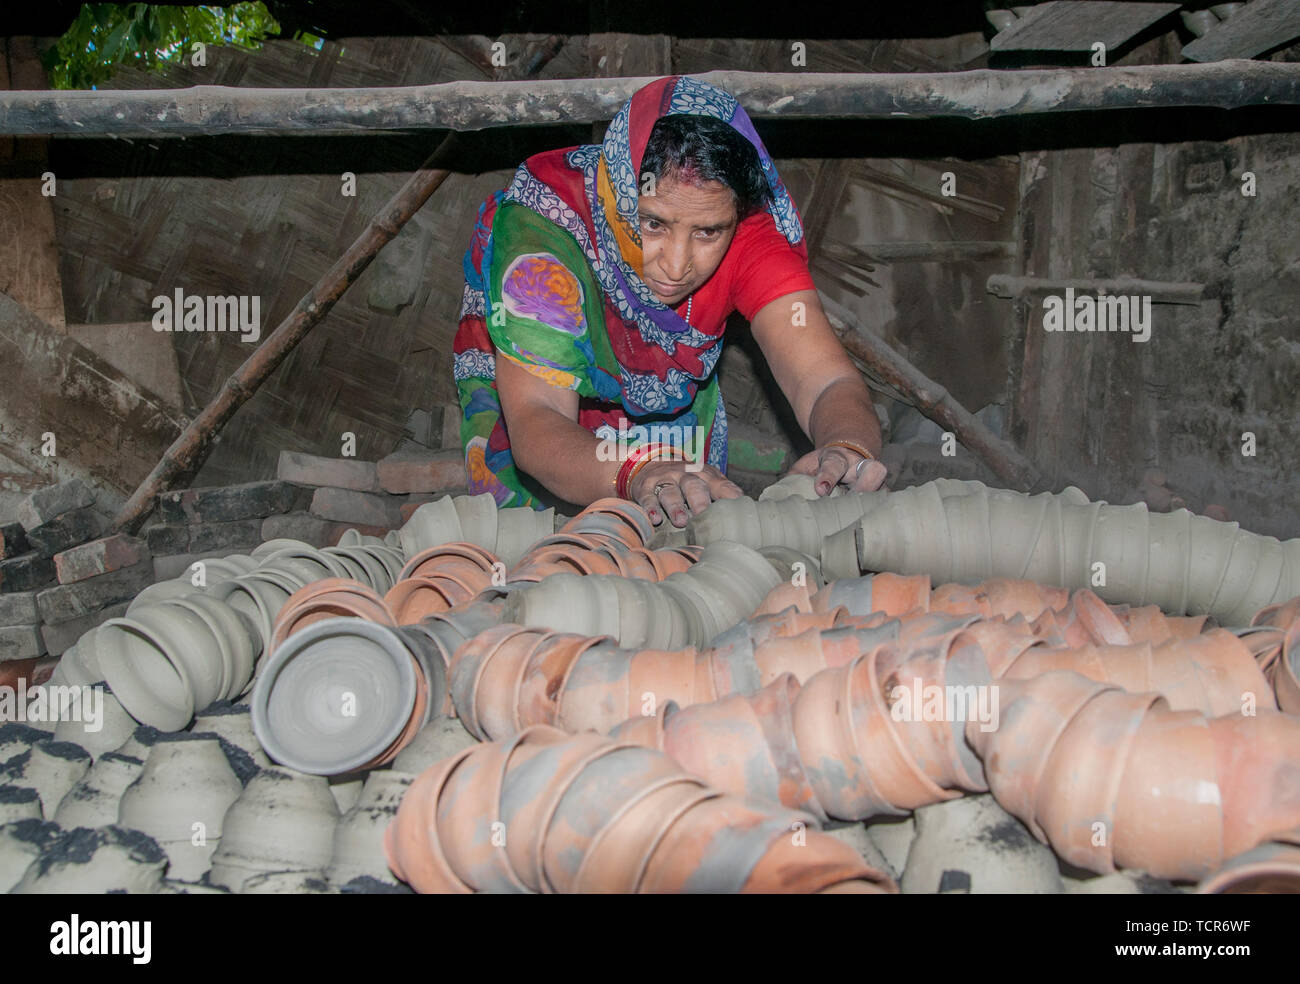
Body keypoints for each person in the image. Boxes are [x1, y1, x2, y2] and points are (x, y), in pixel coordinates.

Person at [453, 75, 887, 527]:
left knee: (682, 524)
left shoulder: (753, 237)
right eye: (653, 224)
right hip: (536, 400)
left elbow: (825, 380)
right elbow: (537, 418)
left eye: (708, 232)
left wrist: (847, 446)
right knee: (536, 548)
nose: (677, 266)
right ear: (620, 195)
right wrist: (637, 470)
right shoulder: (544, 236)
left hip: (664, 408)